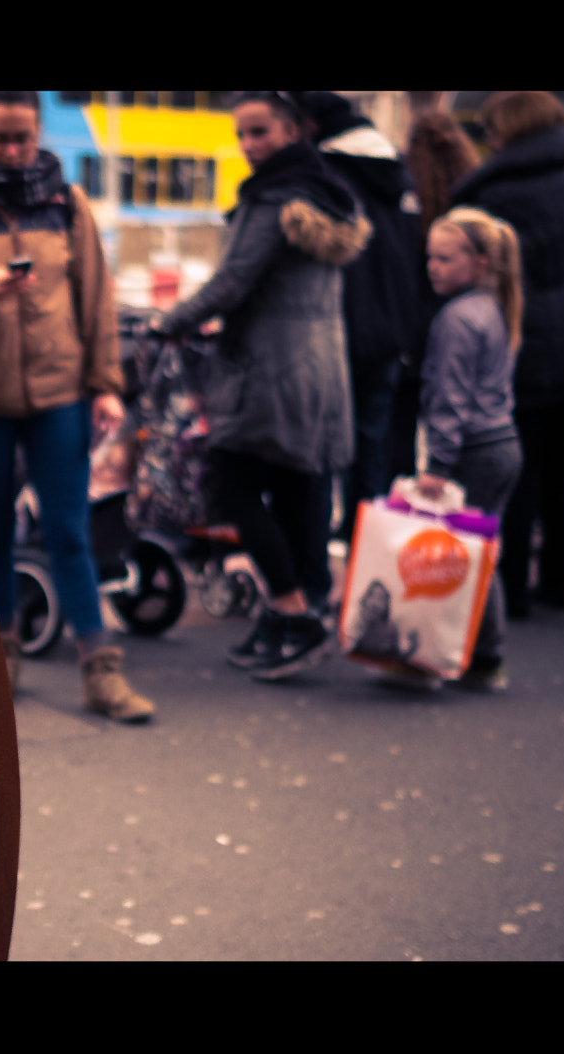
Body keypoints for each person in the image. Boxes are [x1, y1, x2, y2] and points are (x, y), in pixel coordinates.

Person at [0, 90, 154, 722]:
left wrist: (106, 384)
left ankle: (101, 672)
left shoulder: (66, 203)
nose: (14, 151)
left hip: (60, 395)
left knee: (70, 531)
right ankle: (0, 660)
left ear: (40, 131)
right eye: (0, 139)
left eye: (24, 137)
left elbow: (98, 301)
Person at [155, 91, 369, 682]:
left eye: (261, 132)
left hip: (269, 367)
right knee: (298, 489)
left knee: (234, 486)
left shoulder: (275, 196)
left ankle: (292, 611)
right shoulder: (329, 191)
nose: (250, 146)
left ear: (294, 129)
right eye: (243, 135)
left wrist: (167, 323)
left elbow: (232, 281)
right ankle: (293, 615)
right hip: (320, 362)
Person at [450, 92, 564, 617]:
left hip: (523, 340)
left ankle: (512, 591)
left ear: (512, 129)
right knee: (561, 460)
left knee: (512, 466)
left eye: (491, 127)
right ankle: (558, 581)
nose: (486, 136)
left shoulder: (498, 193)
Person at [302, 92, 421, 553]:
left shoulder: (326, 175)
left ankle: (323, 541)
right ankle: (363, 528)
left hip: (344, 322)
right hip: (392, 324)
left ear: (311, 126)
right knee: (373, 436)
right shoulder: (395, 170)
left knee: (325, 441)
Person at [414, 206, 525, 692]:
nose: (432, 267)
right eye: (430, 258)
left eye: (445, 259)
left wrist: (437, 464)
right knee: (481, 554)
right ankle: (482, 656)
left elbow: (450, 396)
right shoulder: (492, 307)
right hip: (502, 443)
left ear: (480, 262)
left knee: (463, 557)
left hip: (474, 451)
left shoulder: (457, 318)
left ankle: (473, 656)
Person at [395, 110, 483, 482]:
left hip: (410, 329)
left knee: (399, 432)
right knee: (453, 418)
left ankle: (399, 513)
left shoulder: (404, 198)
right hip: (464, 322)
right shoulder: (478, 195)